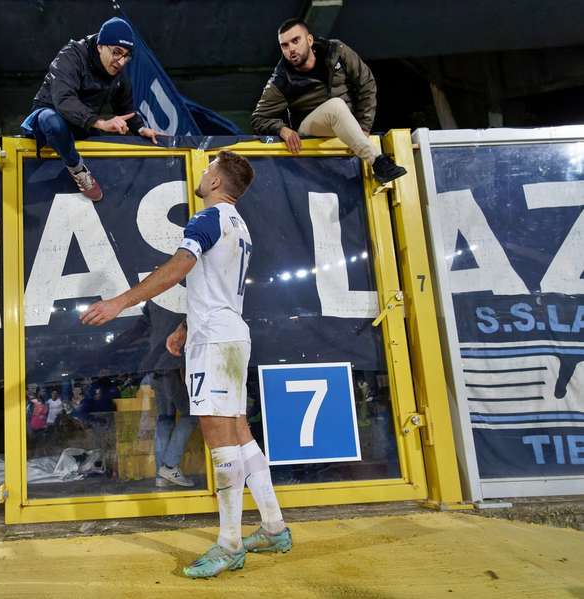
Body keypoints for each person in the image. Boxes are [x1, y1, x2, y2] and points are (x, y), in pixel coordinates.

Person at [82, 151, 291, 579]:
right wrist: (183, 324)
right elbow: (213, 284)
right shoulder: (239, 224)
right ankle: (272, 527)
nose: (202, 172)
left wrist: (121, 301)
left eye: (208, 168)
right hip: (230, 331)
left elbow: (180, 268)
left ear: (216, 181)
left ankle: (230, 544)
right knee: (239, 433)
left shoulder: (205, 219)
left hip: (214, 339)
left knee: (221, 442)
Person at [251, 18, 406, 185]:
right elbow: (258, 118)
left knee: (338, 107)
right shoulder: (281, 79)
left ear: (309, 40)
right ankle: (379, 162)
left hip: (347, 126)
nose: (291, 49)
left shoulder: (336, 50)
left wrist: (364, 126)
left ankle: (370, 154)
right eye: (285, 45)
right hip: (310, 131)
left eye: (296, 41)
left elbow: (366, 83)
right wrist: (282, 129)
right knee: (336, 105)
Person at [21, 17, 159, 202]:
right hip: (50, 119)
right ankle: (78, 170)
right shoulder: (71, 56)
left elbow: (126, 108)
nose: (121, 61)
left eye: (126, 56)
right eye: (117, 52)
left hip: (82, 124)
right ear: (100, 46)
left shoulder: (118, 74)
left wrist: (142, 129)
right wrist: (101, 122)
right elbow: (64, 100)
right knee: (51, 120)